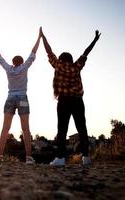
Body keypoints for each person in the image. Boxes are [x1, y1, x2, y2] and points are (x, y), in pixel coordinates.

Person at [40, 28, 101, 166]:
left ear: (61, 59)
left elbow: (49, 51)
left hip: (63, 101)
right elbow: (86, 53)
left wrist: (43, 36)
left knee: (62, 129)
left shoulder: (58, 65)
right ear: (71, 59)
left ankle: (60, 158)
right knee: (82, 128)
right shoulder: (77, 66)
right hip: (77, 100)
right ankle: (86, 157)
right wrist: (95, 40)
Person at [0, 28, 42, 164]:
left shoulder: (8, 68)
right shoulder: (25, 67)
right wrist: (39, 37)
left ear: (13, 62)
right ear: (22, 61)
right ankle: (29, 157)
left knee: (5, 128)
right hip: (22, 98)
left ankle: (0, 155)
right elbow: (33, 52)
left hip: (10, 98)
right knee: (25, 128)